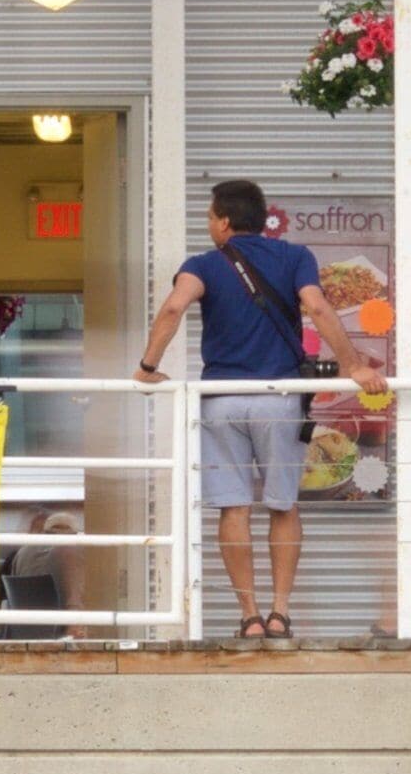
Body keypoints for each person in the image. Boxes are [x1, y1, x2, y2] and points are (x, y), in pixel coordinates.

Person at [133, 179, 383, 641]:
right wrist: (351, 364)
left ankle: (248, 616)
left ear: (224, 221)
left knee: (234, 507)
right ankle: (280, 613)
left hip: (221, 400)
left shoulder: (201, 265)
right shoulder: (295, 257)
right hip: (278, 398)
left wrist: (148, 368)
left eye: (209, 217)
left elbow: (172, 309)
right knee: (283, 505)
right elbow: (319, 308)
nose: (209, 225)